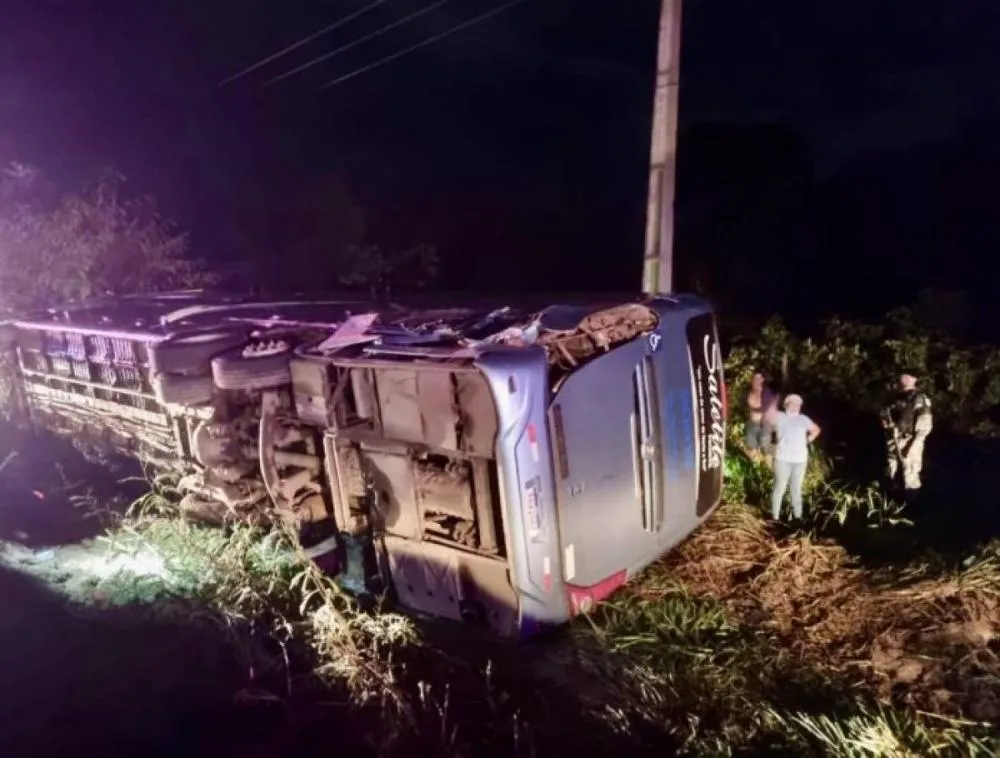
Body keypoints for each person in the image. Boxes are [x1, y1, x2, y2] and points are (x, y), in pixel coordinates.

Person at [766, 393, 821, 521]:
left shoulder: (803, 419)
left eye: (798, 404)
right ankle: (774, 516)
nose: (795, 406)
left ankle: (798, 518)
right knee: (780, 487)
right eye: (792, 403)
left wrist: (808, 439)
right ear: (786, 405)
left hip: (800, 460)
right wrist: (771, 444)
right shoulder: (779, 416)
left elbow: (816, 429)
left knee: (796, 489)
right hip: (782, 458)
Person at [881, 371, 933, 495]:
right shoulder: (895, 398)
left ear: (912, 379)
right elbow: (885, 414)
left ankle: (910, 503)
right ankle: (889, 501)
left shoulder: (919, 398)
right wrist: (887, 425)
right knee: (891, 471)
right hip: (893, 440)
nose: (900, 377)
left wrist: (915, 444)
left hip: (910, 441)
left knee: (910, 472)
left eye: (904, 375)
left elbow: (925, 424)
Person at [745, 371, 778, 457]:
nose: (759, 380)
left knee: (768, 450)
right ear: (753, 381)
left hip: (768, 424)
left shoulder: (767, 392)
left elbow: (767, 408)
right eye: (756, 378)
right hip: (755, 424)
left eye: (760, 378)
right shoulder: (752, 393)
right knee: (754, 449)